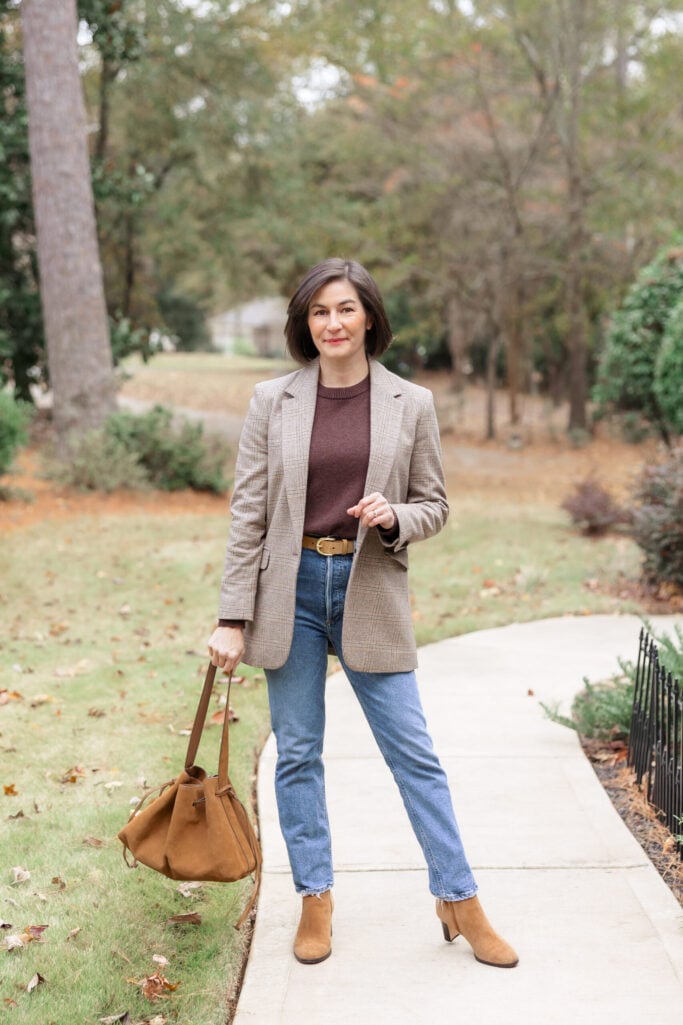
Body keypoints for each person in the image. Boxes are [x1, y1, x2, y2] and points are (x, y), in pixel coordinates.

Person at [207, 258, 518, 969]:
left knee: (413, 753)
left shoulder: (410, 402)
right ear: (303, 323)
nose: (332, 323)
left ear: (369, 316)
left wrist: (391, 517)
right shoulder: (271, 400)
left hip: (367, 587)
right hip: (288, 592)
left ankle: (459, 897)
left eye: (344, 309)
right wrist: (232, 614)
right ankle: (315, 896)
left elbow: (434, 505)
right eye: (318, 312)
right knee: (298, 754)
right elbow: (248, 514)